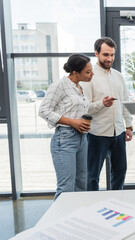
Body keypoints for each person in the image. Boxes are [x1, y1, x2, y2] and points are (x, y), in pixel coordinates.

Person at [39, 54, 94, 200]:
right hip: (65, 140)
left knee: (82, 184)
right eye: (88, 72)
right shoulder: (59, 85)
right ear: (75, 72)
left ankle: (77, 218)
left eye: (91, 70)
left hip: (82, 139)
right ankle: (58, 221)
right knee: (66, 188)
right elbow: (43, 111)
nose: (92, 74)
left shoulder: (79, 87)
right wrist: (72, 122)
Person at [81, 37, 133, 191]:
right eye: (105, 55)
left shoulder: (118, 76)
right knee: (92, 175)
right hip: (97, 134)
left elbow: (124, 102)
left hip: (118, 133)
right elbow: (84, 108)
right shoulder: (89, 77)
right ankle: (92, 207)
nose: (109, 58)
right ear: (96, 53)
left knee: (120, 171)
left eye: (112, 55)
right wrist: (102, 104)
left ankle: (115, 201)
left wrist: (129, 126)